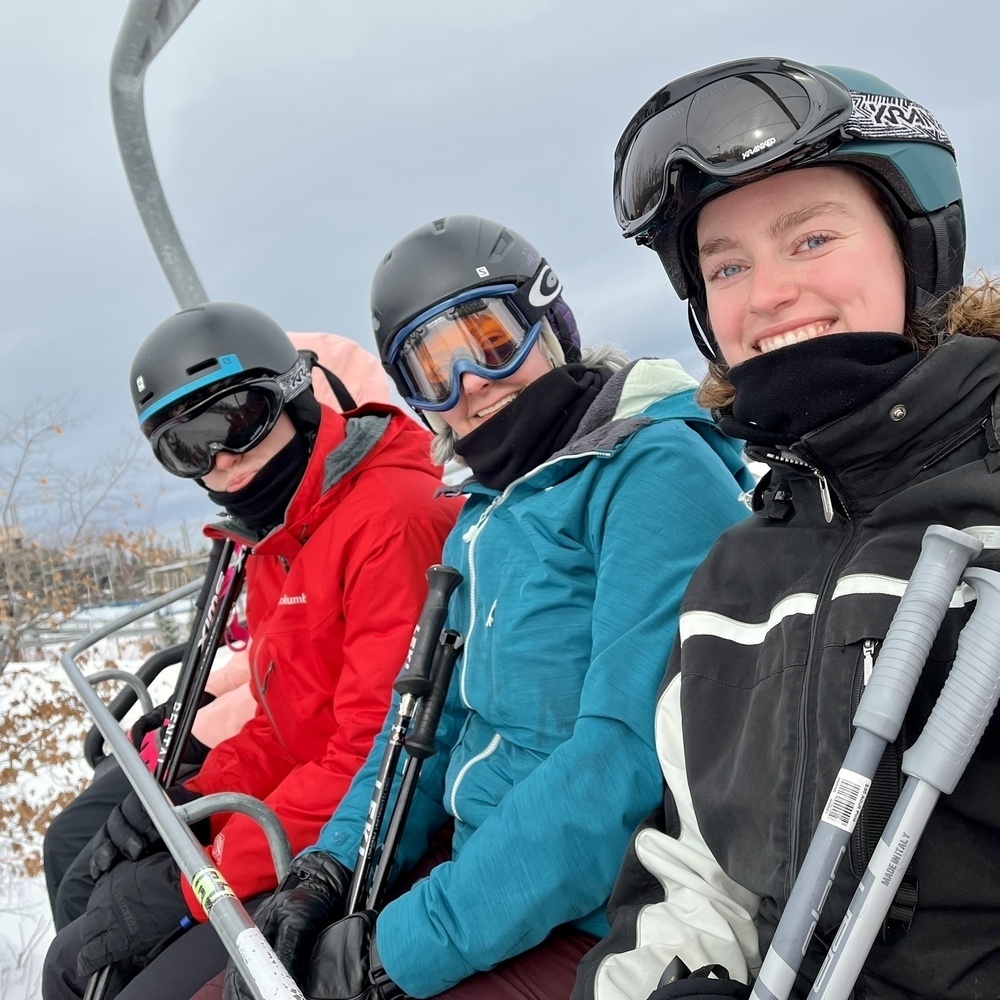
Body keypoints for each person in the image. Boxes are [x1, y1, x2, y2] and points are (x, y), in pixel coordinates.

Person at [216, 214, 754, 1000]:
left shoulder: (652, 472)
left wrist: (392, 953)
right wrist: (329, 868)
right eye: (431, 370)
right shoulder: (482, 515)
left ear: (552, 322)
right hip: (486, 879)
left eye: (491, 340)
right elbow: (427, 726)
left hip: (614, 912)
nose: (470, 384)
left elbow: (620, 766)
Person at [572, 58, 1000, 1000]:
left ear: (917, 244)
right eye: (727, 265)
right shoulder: (737, 574)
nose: (765, 295)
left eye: (809, 240)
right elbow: (696, 879)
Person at [41, 304, 461, 1000]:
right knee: (81, 933)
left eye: (238, 421)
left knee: (107, 976)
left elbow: (374, 752)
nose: (222, 462)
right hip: (311, 822)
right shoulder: (281, 530)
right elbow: (284, 723)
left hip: (375, 845)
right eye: (186, 449)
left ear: (293, 397)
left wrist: (196, 877)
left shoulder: (390, 517)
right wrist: (189, 801)